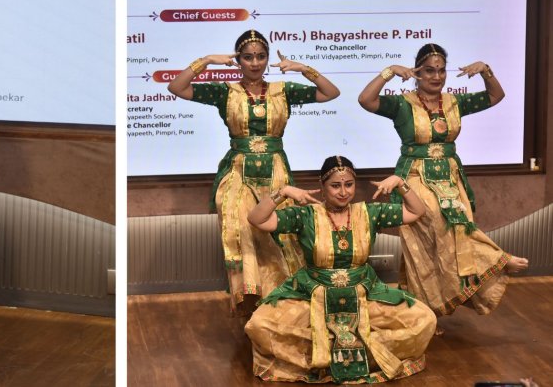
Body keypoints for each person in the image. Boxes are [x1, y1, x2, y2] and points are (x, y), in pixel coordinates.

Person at [167, 29, 340, 308]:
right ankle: (249, 296)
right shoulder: (225, 92)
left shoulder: (282, 90)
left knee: (280, 233)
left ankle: (284, 298)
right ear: (239, 61)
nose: (255, 63)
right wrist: (207, 60)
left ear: (268, 58)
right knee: (242, 226)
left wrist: (302, 68)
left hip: (276, 170)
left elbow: (331, 93)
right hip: (238, 170)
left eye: (261, 56)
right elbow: (176, 87)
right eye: (248, 57)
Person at [357, 43, 529, 321]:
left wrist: (485, 70)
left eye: (440, 71)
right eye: (428, 71)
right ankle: (497, 260)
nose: (436, 77)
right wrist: (388, 72)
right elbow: (366, 100)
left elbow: (496, 95)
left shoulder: (453, 102)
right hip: (413, 176)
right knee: (437, 221)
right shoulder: (403, 104)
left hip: (449, 177)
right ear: (417, 73)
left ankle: (427, 310)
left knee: (439, 237)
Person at [246, 155, 436, 383]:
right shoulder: (305, 215)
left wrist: (400, 183)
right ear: (322, 187)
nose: (343, 192)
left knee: (425, 319)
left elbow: (416, 212)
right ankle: (323, 358)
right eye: (335, 186)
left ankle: (354, 354)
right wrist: (283, 193)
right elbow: (257, 219)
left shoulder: (369, 212)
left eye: (349, 184)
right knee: (258, 325)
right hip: (313, 295)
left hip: (364, 295)